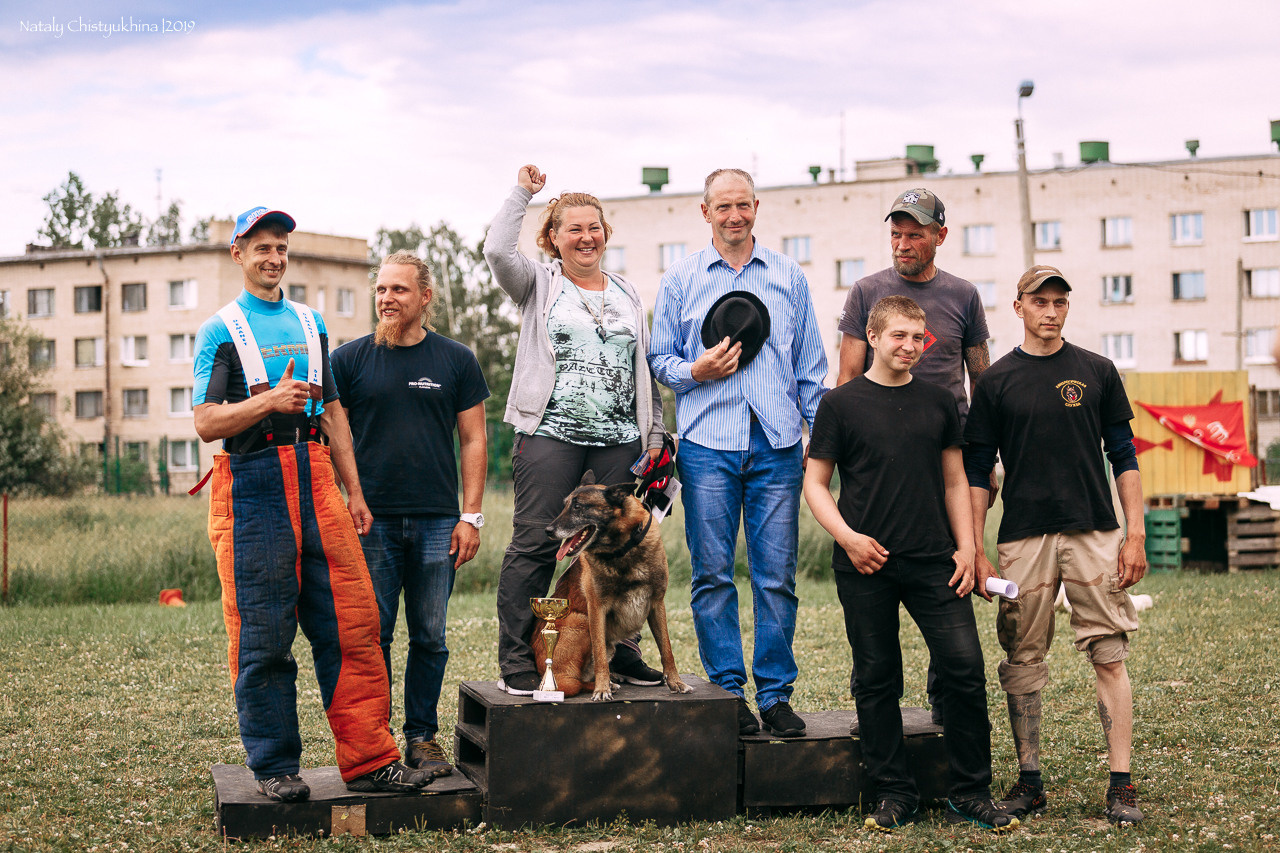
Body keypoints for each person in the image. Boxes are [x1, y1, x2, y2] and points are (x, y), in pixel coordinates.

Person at [193, 207, 430, 802]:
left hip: (318, 476)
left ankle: (371, 760)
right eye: (261, 248)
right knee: (263, 637)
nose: (272, 258)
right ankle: (275, 767)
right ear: (238, 255)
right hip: (251, 484)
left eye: (280, 248)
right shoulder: (221, 330)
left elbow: (331, 413)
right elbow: (205, 422)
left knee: (355, 624)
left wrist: (354, 492)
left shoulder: (310, 322)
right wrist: (270, 401)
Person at [804, 295, 1015, 833]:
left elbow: (953, 481)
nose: (910, 346)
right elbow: (816, 484)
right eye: (898, 335)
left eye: (918, 338)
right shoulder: (841, 404)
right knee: (877, 680)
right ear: (872, 337)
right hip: (865, 563)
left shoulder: (940, 401)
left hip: (934, 562)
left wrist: (968, 546)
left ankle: (971, 792)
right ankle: (893, 793)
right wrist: (849, 539)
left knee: (964, 671)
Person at [964, 265, 1148, 825]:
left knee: (1109, 652)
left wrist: (1134, 532)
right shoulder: (995, 382)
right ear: (1017, 307)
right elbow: (976, 471)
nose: (1050, 310)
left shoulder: (1097, 370)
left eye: (1059, 302)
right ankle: (1030, 781)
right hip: (1024, 536)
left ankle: (1121, 784)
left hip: (1094, 531)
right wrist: (974, 546)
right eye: (1039, 301)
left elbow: (1124, 454)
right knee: (1023, 656)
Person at [649, 168, 828, 737]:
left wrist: (818, 441)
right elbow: (660, 361)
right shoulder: (680, 279)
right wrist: (694, 371)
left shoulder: (788, 277)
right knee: (712, 576)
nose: (733, 216)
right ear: (705, 212)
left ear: (756, 207)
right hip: (706, 448)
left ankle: (775, 694)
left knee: (776, 577)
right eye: (722, 206)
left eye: (742, 205)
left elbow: (810, 370)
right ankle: (729, 695)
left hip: (777, 445)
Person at [482, 165, 667, 696]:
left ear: (606, 234)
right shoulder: (539, 282)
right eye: (573, 229)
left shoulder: (629, 293)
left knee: (625, 547)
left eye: (594, 228)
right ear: (554, 238)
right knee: (538, 544)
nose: (586, 237)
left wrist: (653, 433)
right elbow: (497, 251)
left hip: (619, 440)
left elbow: (644, 368)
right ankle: (520, 660)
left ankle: (622, 651)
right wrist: (522, 192)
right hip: (550, 436)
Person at [835, 188, 992, 725]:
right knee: (872, 600)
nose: (903, 243)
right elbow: (848, 377)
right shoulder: (866, 292)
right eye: (896, 233)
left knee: (952, 574)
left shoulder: (963, 296)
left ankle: (947, 707)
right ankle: (873, 709)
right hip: (880, 455)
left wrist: (989, 457)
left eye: (915, 234)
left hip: (950, 455)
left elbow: (982, 379)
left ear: (939, 237)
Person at [331, 251, 489, 778]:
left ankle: (422, 737)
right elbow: (337, 438)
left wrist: (472, 516)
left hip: (436, 524)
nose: (386, 299)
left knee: (429, 636)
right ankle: (375, 745)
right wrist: (348, 498)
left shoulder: (456, 360)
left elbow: (474, 439)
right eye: (381, 290)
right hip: (368, 523)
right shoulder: (349, 361)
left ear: (425, 297)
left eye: (399, 290)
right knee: (371, 637)